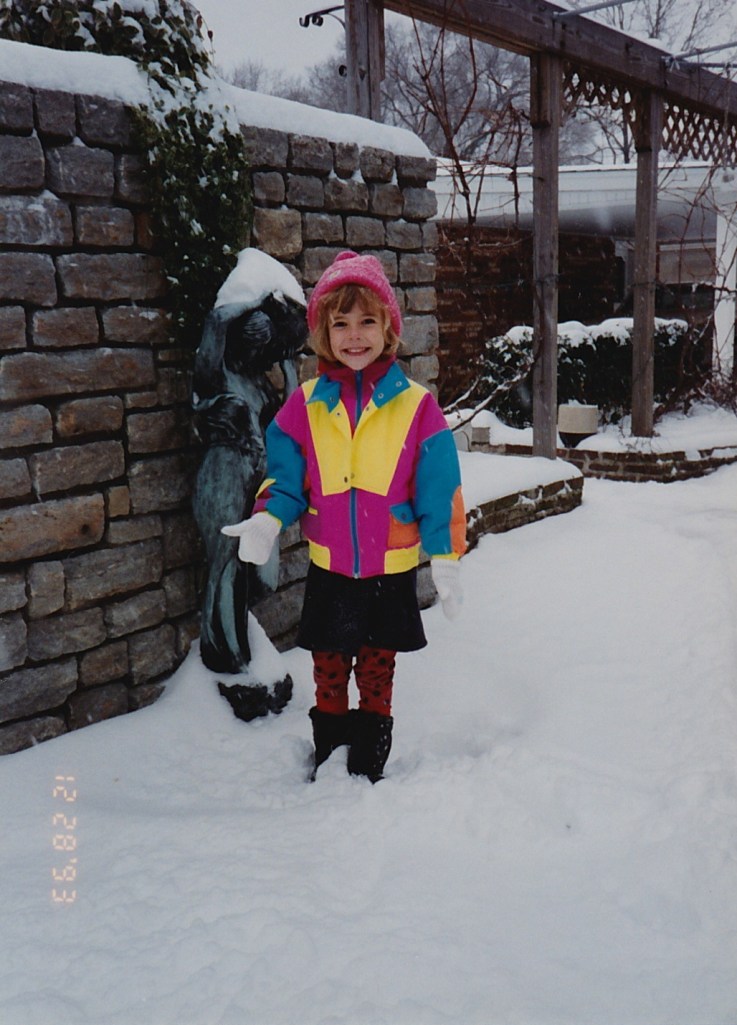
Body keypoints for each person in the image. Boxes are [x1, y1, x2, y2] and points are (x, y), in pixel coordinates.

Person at [222, 251, 466, 781]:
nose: (354, 336)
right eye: (340, 324)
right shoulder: (305, 405)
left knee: (377, 669)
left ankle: (368, 760)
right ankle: (330, 747)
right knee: (329, 665)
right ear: (324, 334)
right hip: (331, 568)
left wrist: (445, 556)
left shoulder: (417, 407)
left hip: (390, 569)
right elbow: (285, 478)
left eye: (367, 322)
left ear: (388, 329)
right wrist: (269, 518)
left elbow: (439, 490)